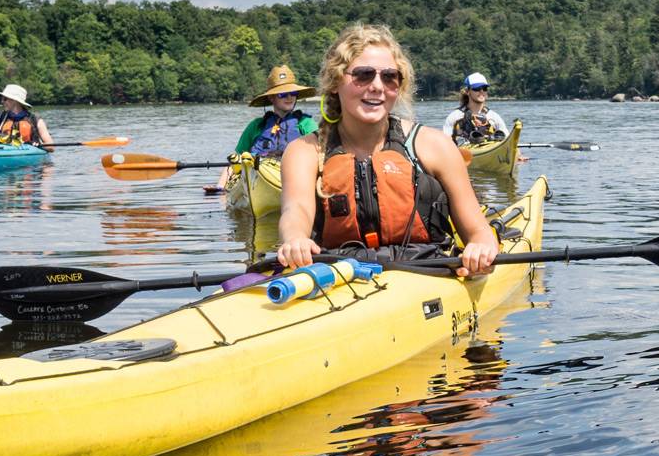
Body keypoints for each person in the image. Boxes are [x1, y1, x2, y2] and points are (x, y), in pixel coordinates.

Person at [276, 24, 498, 278]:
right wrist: (294, 240)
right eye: (363, 75)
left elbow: (478, 230)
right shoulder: (304, 152)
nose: (377, 86)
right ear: (336, 82)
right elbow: (296, 211)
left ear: (399, 86)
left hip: (427, 274)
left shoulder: (435, 146)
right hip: (338, 277)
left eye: (389, 77)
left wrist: (482, 247)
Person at [206, 65, 318, 193]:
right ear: (271, 98)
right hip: (258, 177)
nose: (289, 97)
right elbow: (236, 159)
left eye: (293, 93)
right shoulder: (256, 126)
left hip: (296, 176)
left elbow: (319, 154)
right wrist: (220, 188)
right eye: (283, 94)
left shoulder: (306, 123)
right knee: (244, 159)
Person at [442, 72, 508, 143]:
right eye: (477, 88)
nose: (482, 91)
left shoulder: (494, 117)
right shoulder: (454, 117)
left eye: (484, 88)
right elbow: (445, 143)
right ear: (467, 91)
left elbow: (508, 140)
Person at [0, 83, 54, 148]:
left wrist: (39, 145)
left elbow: (51, 147)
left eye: (5, 99)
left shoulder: (36, 121)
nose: (2, 102)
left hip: (29, 155)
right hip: (4, 154)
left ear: (15, 100)